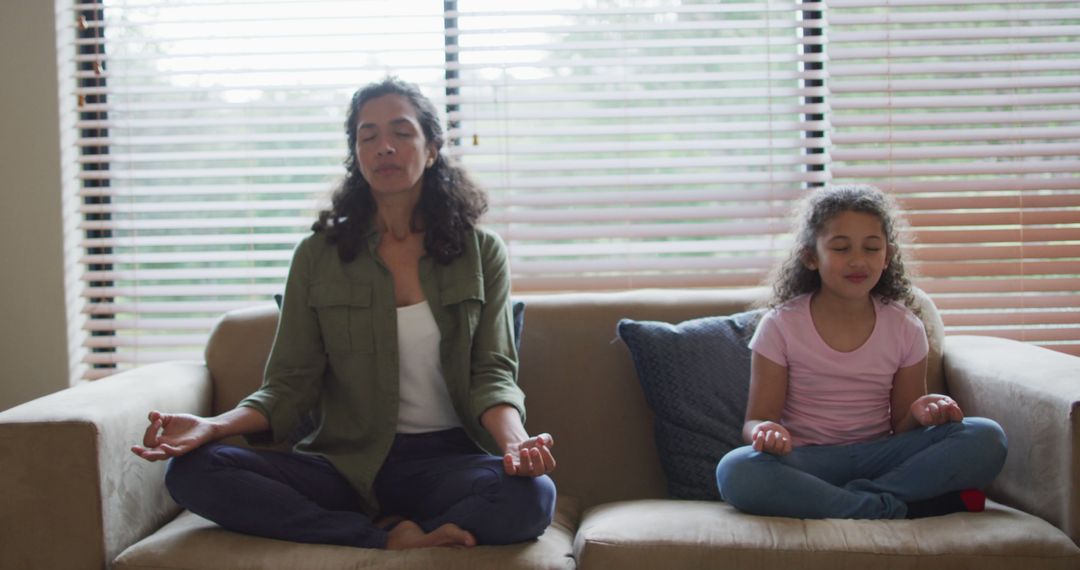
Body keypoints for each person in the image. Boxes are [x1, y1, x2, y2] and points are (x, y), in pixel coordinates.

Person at [132, 77, 557, 549]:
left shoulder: (481, 252)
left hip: (446, 463)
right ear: (356, 154)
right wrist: (213, 426)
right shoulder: (318, 256)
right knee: (195, 471)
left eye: (401, 132)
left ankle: (392, 522)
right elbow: (289, 384)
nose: (385, 148)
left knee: (531, 497)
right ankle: (385, 536)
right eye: (368, 136)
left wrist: (516, 443)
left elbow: (492, 372)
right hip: (342, 465)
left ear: (432, 148)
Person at [715, 184, 1007, 520]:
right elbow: (756, 419)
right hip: (807, 461)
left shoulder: (905, 326)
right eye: (840, 248)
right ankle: (891, 506)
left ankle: (854, 502)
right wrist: (766, 432)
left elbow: (904, 427)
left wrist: (921, 412)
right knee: (735, 470)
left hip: (881, 457)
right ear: (811, 256)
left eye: (871, 248)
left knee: (987, 437)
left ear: (888, 256)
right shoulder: (780, 325)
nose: (858, 260)